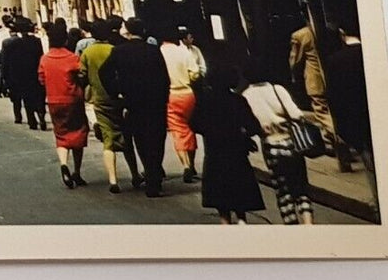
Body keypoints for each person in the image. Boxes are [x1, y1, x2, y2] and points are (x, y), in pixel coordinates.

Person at [101, 18, 170, 197]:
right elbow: (164, 77)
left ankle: (150, 173)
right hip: (155, 102)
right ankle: (154, 176)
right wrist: (164, 99)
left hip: (132, 102)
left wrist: (116, 92)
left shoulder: (119, 51)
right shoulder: (153, 51)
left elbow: (104, 73)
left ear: (128, 31)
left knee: (141, 140)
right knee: (156, 140)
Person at [191, 57, 265, 223]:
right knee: (240, 194)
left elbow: (194, 124)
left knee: (221, 200)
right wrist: (243, 134)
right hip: (237, 152)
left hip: (215, 152)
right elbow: (254, 126)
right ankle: (241, 220)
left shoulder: (205, 100)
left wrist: (210, 131)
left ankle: (226, 223)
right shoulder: (238, 100)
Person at [242, 75, 315, 224]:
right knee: (301, 188)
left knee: (283, 193)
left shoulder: (246, 96)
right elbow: (297, 115)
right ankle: (309, 224)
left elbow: (249, 127)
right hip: (291, 144)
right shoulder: (277, 89)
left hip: (271, 147)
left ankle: (291, 225)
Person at [81, 17, 142, 194]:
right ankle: (135, 174)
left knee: (108, 139)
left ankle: (113, 179)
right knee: (126, 136)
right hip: (119, 98)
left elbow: (82, 75)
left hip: (99, 100)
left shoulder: (88, 53)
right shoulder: (114, 50)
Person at [39, 19, 88, 189]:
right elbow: (82, 76)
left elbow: (41, 79)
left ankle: (63, 164)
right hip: (73, 99)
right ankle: (77, 172)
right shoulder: (72, 58)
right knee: (79, 133)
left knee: (61, 135)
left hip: (54, 100)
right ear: (65, 40)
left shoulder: (45, 59)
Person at [289, 17, 341, 166]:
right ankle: (330, 141)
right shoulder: (329, 31)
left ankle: (337, 137)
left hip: (314, 78)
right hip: (333, 76)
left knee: (321, 110)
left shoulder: (300, 35)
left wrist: (294, 75)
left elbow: (295, 59)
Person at [323, 21, 373, 175]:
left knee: (368, 157)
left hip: (352, 116)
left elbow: (332, 95)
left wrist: (339, 126)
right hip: (373, 111)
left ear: (342, 33)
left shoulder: (334, 60)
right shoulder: (371, 54)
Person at [161, 29, 204, 183]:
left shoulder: (159, 53)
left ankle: (185, 165)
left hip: (171, 95)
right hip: (188, 94)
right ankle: (192, 165)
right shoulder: (184, 52)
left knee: (177, 131)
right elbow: (195, 73)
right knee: (189, 128)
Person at [3, 18, 47, 130]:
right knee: (38, 97)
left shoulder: (11, 43)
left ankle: (32, 121)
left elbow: (6, 63)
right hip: (34, 73)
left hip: (19, 76)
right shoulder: (36, 41)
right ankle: (41, 115)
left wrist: (6, 79)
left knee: (27, 99)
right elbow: (40, 57)